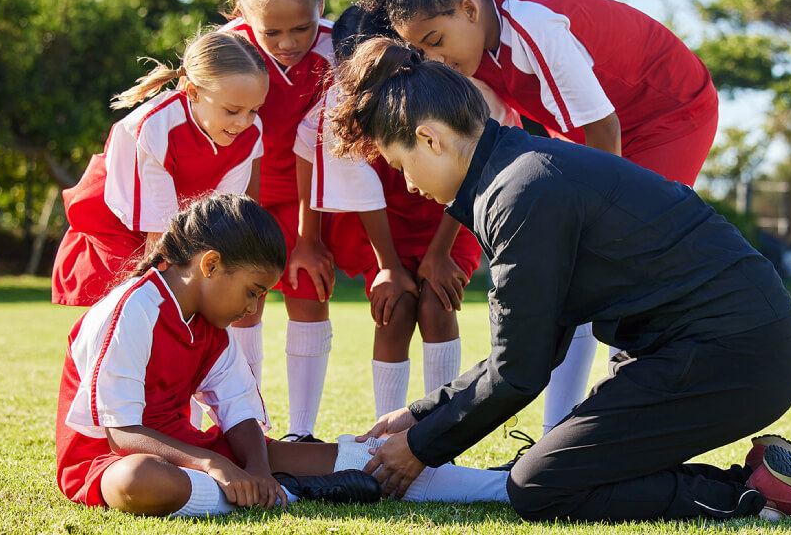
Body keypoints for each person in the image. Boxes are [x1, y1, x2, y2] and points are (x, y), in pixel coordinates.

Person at [327, 38, 791, 522]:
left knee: (538, 485)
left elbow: (519, 371)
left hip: (731, 352)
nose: (409, 185)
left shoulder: (520, 191)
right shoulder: (518, 171)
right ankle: (764, 476)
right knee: (564, 461)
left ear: (430, 139)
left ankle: (755, 495)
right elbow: (529, 349)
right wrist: (421, 412)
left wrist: (420, 448)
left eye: (400, 166)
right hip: (705, 346)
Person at [335, 0, 722, 441]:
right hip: (595, 129)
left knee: (602, 257)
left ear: (471, 9)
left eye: (435, 40)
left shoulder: (535, 26)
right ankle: (559, 428)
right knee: (569, 269)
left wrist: (593, 226)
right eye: (422, 49)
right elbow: (477, 156)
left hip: (666, 113)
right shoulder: (474, 56)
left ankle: (617, 401)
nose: (432, 58)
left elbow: (604, 134)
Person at [55, 193, 510, 517]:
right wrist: (219, 466)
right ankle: (295, 495)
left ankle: (505, 487)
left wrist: (254, 468)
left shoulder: (212, 320)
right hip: (114, 460)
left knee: (371, 458)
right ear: (210, 265)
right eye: (252, 293)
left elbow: (237, 410)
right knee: (139, 481)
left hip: (194, 454)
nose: (253, 309)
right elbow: (122, 435)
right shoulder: (133, 309)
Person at [292, 5, 482, 421]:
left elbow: (472, 168)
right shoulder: (341, 106)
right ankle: (387, 430)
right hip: (377, 223)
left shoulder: (447, 88)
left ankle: (438, 431)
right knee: (394, 310)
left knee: (437, 303)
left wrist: (438, 254)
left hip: (449, 215)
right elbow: (352, 182)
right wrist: (389, 267)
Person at [207, 0, 372, 441]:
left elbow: (321, 145)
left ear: (321, 1)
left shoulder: (338, 46)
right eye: (271, 31)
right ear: (244, 11)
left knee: (307, 291)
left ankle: (301, 432)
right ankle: (244, 425)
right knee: (240, 306)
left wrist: (307, 238)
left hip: (313, 194)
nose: (286, 42)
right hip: (240, 191)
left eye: (300, 27)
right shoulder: (226, 47)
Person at [52, 31, 268, 308]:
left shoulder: (251, 133)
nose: (244, 122)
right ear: (192, 92)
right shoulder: (156, 126)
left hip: (177, 210)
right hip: (120, 212)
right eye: (232, 110)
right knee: (129, 297)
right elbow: (159, 233)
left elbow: (218, 214)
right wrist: (163, 305)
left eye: (254, 110)